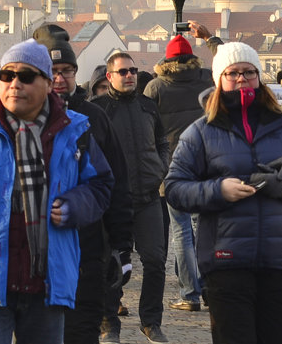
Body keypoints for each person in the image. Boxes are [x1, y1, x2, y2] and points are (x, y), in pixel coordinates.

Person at [0, 39, 115, 344]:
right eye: (7, 75)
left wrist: (72, 207)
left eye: (26, 76)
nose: (14, 83)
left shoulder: (73, 130)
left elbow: (101, 185)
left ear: (47, 83)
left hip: (48, 281)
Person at [165, 42, 282, 344]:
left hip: (277, 259)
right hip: (226, 260)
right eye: (233, 73)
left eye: (249, 72)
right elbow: (174, 188)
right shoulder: (201, 131)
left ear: (258, 77)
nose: (241, 79)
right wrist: (218, 190)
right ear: (219, 78)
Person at [32, 25, 132, 344]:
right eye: (54, 71)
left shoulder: (94, 118)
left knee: (81, 331)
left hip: (88, 246)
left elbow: (115, 182)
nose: (61, 78)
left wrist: (121, 246)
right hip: (36, 249)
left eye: (68, 71)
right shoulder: (23, 116)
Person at [91, 52, 169, 344]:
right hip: (112, 200)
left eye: (133, 70)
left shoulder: (148, 106)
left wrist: (160, 168)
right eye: (122, 71)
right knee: (110, 262)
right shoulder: (98, 109)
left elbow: (162, 141)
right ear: (109, 76)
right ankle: (109, 322)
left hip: (149, 196)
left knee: (155, 260)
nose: (129, 75)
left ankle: (151, 321)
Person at [143, 34, 212, 314]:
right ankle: (209, 287)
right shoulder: (207, 79)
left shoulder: (155, 87)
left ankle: (190, 293)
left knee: (181, 231)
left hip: (172, 168)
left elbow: (146, 130)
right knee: (204, 228)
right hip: (205, 164)